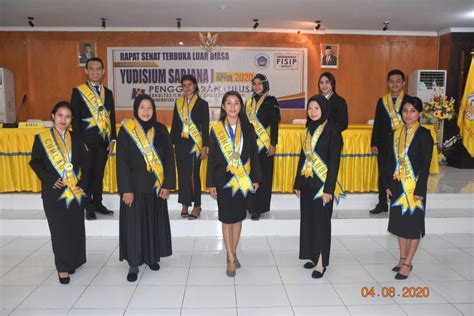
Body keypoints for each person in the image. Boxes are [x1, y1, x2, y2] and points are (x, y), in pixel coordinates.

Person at [116, 94, 175, 282]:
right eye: (142, 107)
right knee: (134, 225)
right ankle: (134, 263)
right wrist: (126, 189)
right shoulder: (126, 130)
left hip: (155, 187)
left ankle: (151, 257)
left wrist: (167, 184)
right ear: (136, 109)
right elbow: (122, 162)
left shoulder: (161, 130)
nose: (146, 111)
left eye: (149, 107)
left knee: (153, 222)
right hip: (133, 187)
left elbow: (168, 158)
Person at [30, 101, 89, 284]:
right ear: (52, 116)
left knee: (75, 228)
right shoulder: (41, 138)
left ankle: (74, 260)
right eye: (60, 115)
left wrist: (82, 185)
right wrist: (49, 179)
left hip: (74, 191)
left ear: (71, 120)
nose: (64, 119)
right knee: (59, 230)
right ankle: (62, 267)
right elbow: (35, 162)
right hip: (54, 191)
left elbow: (86, 164)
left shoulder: (76, 138)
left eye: (68, 116)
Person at [207, 91, 262, 277]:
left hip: (242, 180)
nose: (232, 106)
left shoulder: (248, 128)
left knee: (237, 217)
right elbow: (212, 158)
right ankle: (230, 258)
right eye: (228, 103)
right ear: (223, 106)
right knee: (226, 218)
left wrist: (256, 178)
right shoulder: (216, 129)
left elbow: (254, 154)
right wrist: (211, 183)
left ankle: (233, 251)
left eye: (236, 103)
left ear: (241, 107)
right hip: (222, 179)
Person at [294, 94, 344, 279]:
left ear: (324, 109)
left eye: (316, 108)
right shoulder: (308, 129)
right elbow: (303, 157)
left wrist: (329, 189)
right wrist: (297, 183)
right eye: (310, 108)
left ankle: (322, 263)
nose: (313, 112)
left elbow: (334, 162)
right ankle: (313, 256)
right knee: (308, 221)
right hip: (307, 184)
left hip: (323, 186)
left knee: (322, 223)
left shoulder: (333, 130)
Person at [383, 96, 433, 280]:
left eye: (412, 111)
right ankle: (402, 257)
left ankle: (408, 263)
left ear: (419, 113)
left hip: (414, 187)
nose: (408, 114)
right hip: (397, 185)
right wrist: (388, 185)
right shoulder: (395, 133)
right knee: (399, 225)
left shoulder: (424, 135)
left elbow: (426, 165)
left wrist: (420, 190)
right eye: (405, 111)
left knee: (413, 226)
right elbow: (389, 161)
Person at [71, 57, 117, 220]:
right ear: (86, 71)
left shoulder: (108, 93)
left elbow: (112, 118)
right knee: (88, 174)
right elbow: (74, 119)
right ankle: (88, 205)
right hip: (86, 143)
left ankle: (98, 203)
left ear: (103, 71)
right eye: (92, 69)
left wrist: (113, 139)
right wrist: (78, 142)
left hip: (104, 142)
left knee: (99, 174)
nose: (95, 72)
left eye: (98, 69)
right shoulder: (78, 92)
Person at [370, 69, 409, 214]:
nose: (395, 84)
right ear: (387, 83)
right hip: (384, 144)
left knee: (399, 172)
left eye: (398, 81)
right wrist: (374, 143)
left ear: (403, 83)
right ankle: (382, 203)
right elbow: (378, 123)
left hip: (403, 143)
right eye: (392, 81)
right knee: (383, 173)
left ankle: (397, 201)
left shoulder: (409, 100)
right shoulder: (382, 101)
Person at [171, 74, 209, 220]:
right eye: (184, 85)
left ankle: (197, 205)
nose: (187, 88)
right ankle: (185, 204)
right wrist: (171, 143)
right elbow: (175, 125)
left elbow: (205, 127)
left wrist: (205, 147)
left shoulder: (202, 104)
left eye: (190, 85)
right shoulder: (178, 102)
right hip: (180, 144)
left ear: (195, 86)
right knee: (183, 175)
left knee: (193, 175)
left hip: (195, 145)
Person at [244, 74, 280, 220]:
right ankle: (250, 206)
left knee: (263, 176)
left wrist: (273, 144)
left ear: (265, 85)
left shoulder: (271, 101)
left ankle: (259, 208)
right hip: (249, 146)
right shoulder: (248, 102)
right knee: (249, 175)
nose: (257, 86)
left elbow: (275, 125)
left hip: (264, 146)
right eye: (254, 84)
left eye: (260, 84)